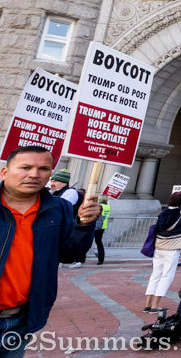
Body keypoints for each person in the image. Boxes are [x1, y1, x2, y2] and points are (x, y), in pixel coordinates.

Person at [0, 146, 98, 358]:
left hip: (22, 317)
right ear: (5, 172)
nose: (35, 174)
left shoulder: (59, 208)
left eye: (44, 168)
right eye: (25, 167)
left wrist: (84, 224)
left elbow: (70, 255)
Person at [145, 192, 181, 312]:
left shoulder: (163, 212)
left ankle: (148, 304)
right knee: (166, 276)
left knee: (155, 275)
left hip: (159, 248)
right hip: (172, 249)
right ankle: (155, 305)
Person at [49, 169, 85, 267]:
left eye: (55, 181)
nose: (52, 183)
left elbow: (60, 207)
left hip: (65, 225)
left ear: (64, 183)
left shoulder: (70, 192)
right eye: (52, 180)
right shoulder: (54, 192)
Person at [94, 197, 110, 265]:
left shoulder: (100, 206)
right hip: (103, 225)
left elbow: (96, 215)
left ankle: (80, 258)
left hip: (97, 226)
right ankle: (101, 258)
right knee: (99, 242)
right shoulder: (108, 206)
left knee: (89, 241)